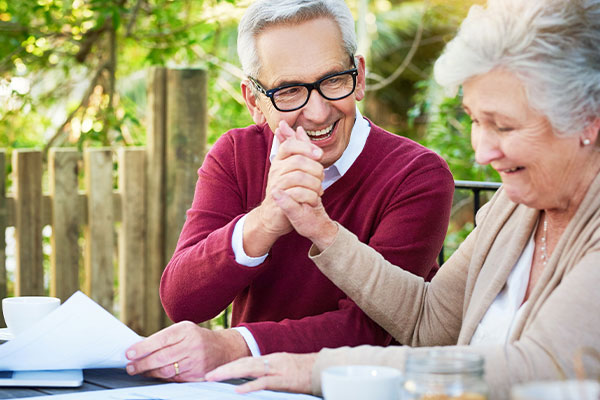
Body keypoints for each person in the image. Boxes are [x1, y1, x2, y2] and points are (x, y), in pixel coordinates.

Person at [203, 0, 600, 398]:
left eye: (503, 126)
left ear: (588, 120)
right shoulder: (517, 207)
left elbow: (537, 366)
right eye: (475, 121)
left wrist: (315, 369)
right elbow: (429, 320)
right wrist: (320, 229)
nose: (482, 152)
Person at [124, 0, 454, 380]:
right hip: (256, 388)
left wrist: (234, 345)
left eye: (333, 81)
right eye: (290, 91)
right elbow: (183, 300)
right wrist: (265, 220)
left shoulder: (416, 174)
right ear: (254, 100)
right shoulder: (236, 154)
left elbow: (376, 329)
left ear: (359, 77)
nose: (317, 112)